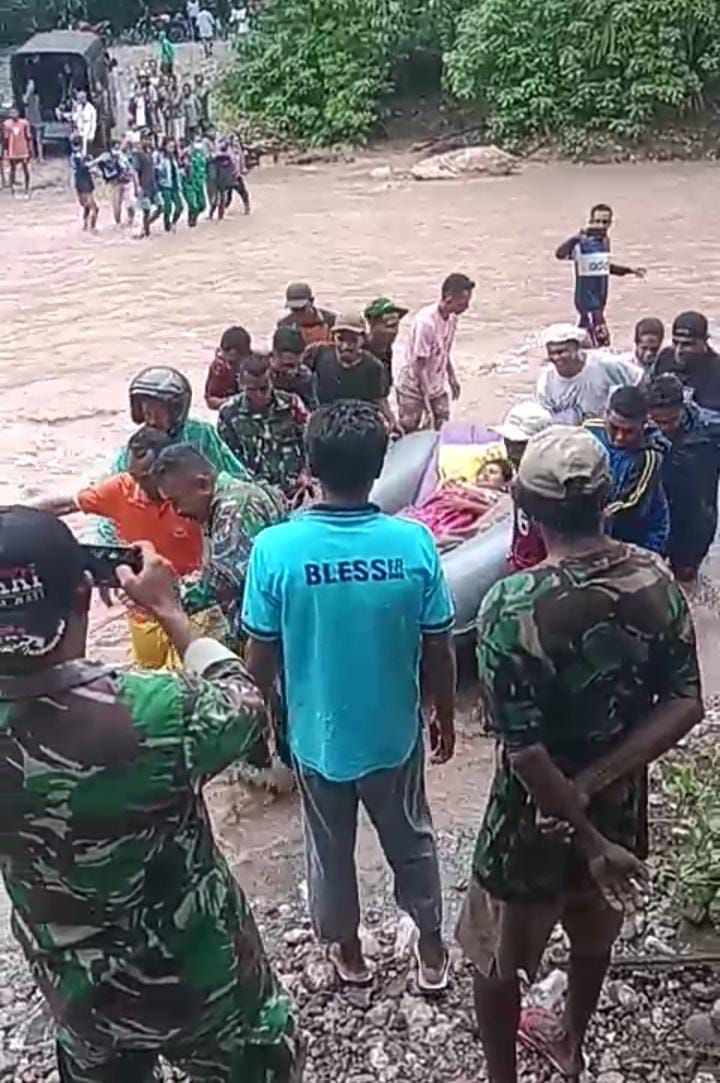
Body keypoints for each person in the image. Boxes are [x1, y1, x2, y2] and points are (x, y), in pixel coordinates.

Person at [0, 507, 302, 1082]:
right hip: (199, 978)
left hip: (77, 990)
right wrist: (170, 611)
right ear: (86, 595)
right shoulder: (159, 712)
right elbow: (245, 706)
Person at [457, 425, 703, 1083]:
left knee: (498, 955)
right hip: (619, 804)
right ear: (610, 496)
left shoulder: (510, 604)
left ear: (524, 505)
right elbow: (686, 702)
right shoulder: (653, 577)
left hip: (528, 821)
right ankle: (570, 1041)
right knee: (594, 934)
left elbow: (525, 748)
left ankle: (501, 1075)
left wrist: (580, 823)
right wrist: (597, 796)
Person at [242, 401, 456, 991]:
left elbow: (259, 657)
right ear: (381, 464)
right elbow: (439, 643)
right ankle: (432, 949)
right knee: (411, 838)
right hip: (394, 731)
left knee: (329, 849)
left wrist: (253, 728)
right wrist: (442, 712)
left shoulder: (275, 549)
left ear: (309, 466)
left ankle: (350, 953)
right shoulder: (413, 544)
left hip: (317, 737)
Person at [34, 426, 205, 669]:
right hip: (142, 608)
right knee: (149, 674)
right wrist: (15, 516)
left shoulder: (192, 497)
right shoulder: (122, 489)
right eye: (133, 477)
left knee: (185, 674)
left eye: (146, 478)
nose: (138, 486)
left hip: (195, 605)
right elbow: (64, 505)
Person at [154, 445, 284, 641]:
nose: (176, 511)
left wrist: (167, 602)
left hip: (268, 634)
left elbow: (224, 579)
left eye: (176, 502)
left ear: (203, 485)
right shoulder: (226, 500)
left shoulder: (235, 507)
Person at [109, 367, 251, 482]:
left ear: (176, 412)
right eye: (147, 413)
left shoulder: (200, 435)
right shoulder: (138, 445)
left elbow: (235, 475)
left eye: (158, 414)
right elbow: (117, 483)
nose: (152, 421)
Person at [648, 374, 720, 581]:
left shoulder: (712, 430)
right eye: (657, 421)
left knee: (686, 577)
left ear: (683, 406)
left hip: (695, 522)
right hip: (654, 521)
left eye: (670, 420)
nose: (663, 429)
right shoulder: (638, 427)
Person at [584, 385, 669, 555]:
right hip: (599, 528)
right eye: (614, 427)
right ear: (605, 414)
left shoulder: (649, 456)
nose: (619, 437)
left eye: (629, 431)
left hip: (637, 536)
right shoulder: (589, 430)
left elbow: (632, 504)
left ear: (644, 425)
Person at [218, 353, 310, 502]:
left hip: (295, 491)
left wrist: (305, 474)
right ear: (241, 384)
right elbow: (226, 460)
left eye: (263, 388)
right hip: (254, 496)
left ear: (272, 380)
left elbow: (310, 443)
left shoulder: (292, 405)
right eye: (252, 390)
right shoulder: (229, 413)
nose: (259, 395)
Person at [555, 203, 646, 346]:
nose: (601, 225)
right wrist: (575, 239)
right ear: (590, 221)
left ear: (610, 223)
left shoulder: (604, 242)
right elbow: (560, 254)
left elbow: (603, 268)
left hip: (599, 303)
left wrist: (629, 270)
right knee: (602, 346)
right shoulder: (582, 245)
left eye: (605, 222)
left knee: (586, 344)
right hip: (588, 305)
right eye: (597, 221)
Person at [395, 273, 475, 433]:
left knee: (442, 422)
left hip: (436, 384)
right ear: (449, 299)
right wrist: (426, 403)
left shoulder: (452, 319)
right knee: (409, 426)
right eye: (464, 302)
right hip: (414, 386)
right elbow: (420, 366)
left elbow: (444, 350)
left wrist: (452, 377)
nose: (467, 306)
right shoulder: (426, 323)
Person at [536, 323, 643, 424]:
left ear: (577, 348)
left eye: (561, 352)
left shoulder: (605, 364)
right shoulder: (546, 383)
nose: (556, 358)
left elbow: (639, 380)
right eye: (551, 353)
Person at [304, 313, 395, 426]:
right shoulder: (317, 353)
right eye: (341, 339)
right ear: (333, 338)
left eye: (353, 340)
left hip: (359, 422)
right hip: (326, 420)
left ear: (363, 340)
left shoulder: (373, 367)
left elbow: (380, 399)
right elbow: (298, 373)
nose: (346, 346)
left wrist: (392, 421)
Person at [495, 400, 553, 571]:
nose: (511, 452)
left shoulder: (550, 489)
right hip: (522, 564)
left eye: (520, 445)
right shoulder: (518, 483)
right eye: (508, 442)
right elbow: (520, 529)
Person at [652, 311, 720, 410]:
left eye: (687, 344)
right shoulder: (665, 358)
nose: (679, 350)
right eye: (675, 343)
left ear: (705, 341)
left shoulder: (716, 371)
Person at [364, 297, 409, 394]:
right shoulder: (359, 351)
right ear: (372, 324)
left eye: (396, 326)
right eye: (389, 326)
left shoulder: (387, 350)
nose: (394, 331)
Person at [91, 136, 136, 227]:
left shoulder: (127, 154)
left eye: (119, 146)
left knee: (130, 204)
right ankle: (118, 224)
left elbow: (132, 168)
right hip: (115, 183)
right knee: (116, 207)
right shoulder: (106, 156)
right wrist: (96, 173)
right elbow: (94, 164)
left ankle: (130, 221)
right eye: (116, 147)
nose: (118, 149)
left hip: (128, 182)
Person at [205, 325, 254, 409]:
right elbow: (211, 402)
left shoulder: (258, 367)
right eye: (227, 361)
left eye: (235, 363)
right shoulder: (219, 368)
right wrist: (236, 400)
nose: (228, 366)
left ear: (248, 355)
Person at [271, 326, 318, 409]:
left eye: (298, 365)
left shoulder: (304, 376)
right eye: (289, 365)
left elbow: (313, 409)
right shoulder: (260, 375)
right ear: (275, 355)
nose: (294, 371)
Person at [278, 283, 336, 347]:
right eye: (294, 309)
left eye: (302, 308)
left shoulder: (331, 320)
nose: (298, 313)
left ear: (311, 301)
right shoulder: (285, 325)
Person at [133, 129, 162, 238]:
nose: (148, 141)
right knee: (146, 210)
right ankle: (146, 231)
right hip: (144, 185)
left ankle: (147, 225)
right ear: (141, 140)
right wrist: (137, 187)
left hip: (153, 184)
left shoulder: (150, 152)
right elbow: (135, 171)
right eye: (146, 139)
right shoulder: (138, 154)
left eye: (149, 139)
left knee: (160, 207)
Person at [69, 135, 99, 232]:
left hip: (81, 182)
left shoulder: (75, 155)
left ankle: (86, 226)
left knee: (87, 207)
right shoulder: (78, 156)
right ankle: (92, 228)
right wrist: (99, 159)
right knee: (94, 208)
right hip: (84, 183)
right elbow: (87, 165)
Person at [3, 106, 32, 197]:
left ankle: (27, 189)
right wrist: (5, 150)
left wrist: (30, 149)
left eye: (15, 112)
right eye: (11, 113)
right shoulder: (7, 124)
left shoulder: (24, 123)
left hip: (23, 149)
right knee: (12, 170)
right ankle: (12, 189)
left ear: (18, 113)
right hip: (12, 150)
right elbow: (5, 138)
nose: (13, 115)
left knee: (25, 169)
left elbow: (28, 137)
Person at [157, 136, 184, 232]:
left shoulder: (175, 157)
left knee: (180, 206)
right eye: (170, 147)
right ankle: (167, 226)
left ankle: (174, 222)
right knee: (167, 207)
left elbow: (179, 169)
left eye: (173, 147)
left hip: (175, 185)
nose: (171, 149)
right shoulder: (159, 156)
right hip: (165, 185)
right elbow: (156, 169)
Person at [181, 133, 208, 226]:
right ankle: (191, 220)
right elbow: (181, 164)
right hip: (189, 182)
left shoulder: (203, 152)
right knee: (193, 205)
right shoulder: (187, 152)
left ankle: (193, 216)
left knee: (202, 205)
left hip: (199, 181)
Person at [209, 139, 236, 220]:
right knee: (220, 199)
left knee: (219, 199)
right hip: (220, 181)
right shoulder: (228, 157)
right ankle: (217, 215)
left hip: (219, 181)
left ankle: (214, 215)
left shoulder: (217, 158)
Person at [228, 133, 251, 214]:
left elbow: (241, 160)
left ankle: (247, 207)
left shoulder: (238, 150)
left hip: (237, 175)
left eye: (237, 140)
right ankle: (220, 212)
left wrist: (243, 169)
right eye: (234, 140)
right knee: (227, 197)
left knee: (243, 192)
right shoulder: (226, 149)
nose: (236, 142)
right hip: (228, 176)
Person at [23, 77, 44, 162]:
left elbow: (39, 106)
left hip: (37, 118)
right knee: (30, 138)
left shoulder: (37, 97)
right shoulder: (26, 96)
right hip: (29, 117)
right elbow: (25, 101)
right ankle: (33, 155)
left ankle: (40, 157)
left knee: (38, 139)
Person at [72, 90, 97, 156]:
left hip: (87, 127)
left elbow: (93, 122)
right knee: (76, 142)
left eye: (80, 99)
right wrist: (74, 109)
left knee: (85, 144)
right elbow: (75, 118)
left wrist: (92, 133)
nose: (79, 101)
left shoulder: (91, 108)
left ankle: (85, 157)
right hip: (80, 127)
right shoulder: (79, 107)